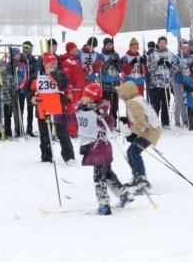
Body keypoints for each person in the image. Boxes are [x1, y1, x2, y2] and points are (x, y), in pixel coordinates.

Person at [50, 83, 133, 215]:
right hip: (91, 148)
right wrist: (54, 117)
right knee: (107, 174)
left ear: (93, 98)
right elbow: (69, 118)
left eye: (86, 95)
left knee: (99, 176)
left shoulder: (99, 111)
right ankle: (124, 195)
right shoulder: (81, 109)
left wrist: (101, 114)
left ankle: (104, 205)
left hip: (100, 147)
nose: (82, 97)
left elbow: (110, 122)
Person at [25, 53, 75, 165]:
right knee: (45, 136)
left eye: (56, 63)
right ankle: (46, 157)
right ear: (45, 64)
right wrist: (31, 97)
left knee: (63, 135)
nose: (54, 65)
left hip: (58, 110)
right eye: (52, 63)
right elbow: (27, 90)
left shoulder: (60, 74)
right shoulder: (36, 76)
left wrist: (52, 74)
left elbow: (63, 84)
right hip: (43, 111)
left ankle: (69, 157)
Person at [116, 81, 162, 192]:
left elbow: (140, 120)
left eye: (122, 93)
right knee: (132, 152)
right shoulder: (138, 98)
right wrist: (128, 119)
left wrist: (134, 134)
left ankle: (142, 180)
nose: (120, 96)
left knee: (133, 152)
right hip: (151, 128)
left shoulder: (133, 102)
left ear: (128, 93)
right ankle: (138, 177)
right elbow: (142, 115)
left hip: (151, 130)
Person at [147, 36, 177, 129]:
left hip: (166, 83)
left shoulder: (171, 54)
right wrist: (157, 63)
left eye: (164, 43)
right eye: (161, 43)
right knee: (155, 103)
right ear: (158, 43)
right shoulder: (152, 54)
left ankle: (165, 122)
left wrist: (170, 66)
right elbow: (150, 69)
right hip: (156, 83)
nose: (162, 44)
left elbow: (175, 69)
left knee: (165, 103)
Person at [60, 42, 86, 137]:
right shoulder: (67, 62)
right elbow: (67, 78)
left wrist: (84, 70)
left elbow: (76, 73)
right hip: (73, 91)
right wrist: (69, 91)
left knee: (79, 110)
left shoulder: (75, 60)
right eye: (75, 48)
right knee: (72, 111)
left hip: (79, 89)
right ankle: (71, 131)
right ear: (70, 50)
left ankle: (77, 128)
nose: (77, 50)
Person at [100, 38, 122, 127]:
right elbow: (103, 70)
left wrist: (117, 62)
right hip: (106, 83)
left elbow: (120, 70)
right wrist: (110, 60)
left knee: (114, 103)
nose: (109, 46)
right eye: (107, 45)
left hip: (115, 82)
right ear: (104, 45)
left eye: (110, 44)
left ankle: (113, 121)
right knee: (105, 103)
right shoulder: (102, 55)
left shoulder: (116, 55)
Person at [20, 41, 38, 137]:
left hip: (30, 89)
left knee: (30, 109)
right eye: (28, 49)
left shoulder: (33, 60)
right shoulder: (21, 59)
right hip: (21, 88)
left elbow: (36, 72)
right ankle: (19, 128)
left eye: (31, 49)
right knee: (21, 109)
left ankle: (29, 128)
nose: (30, 51)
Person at [173, 39, 191, 127]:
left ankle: (185, 119)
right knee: (179, 101)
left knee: (185, 101)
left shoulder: (189, 57)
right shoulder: (177, 57)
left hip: (187, 81)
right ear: (180, 48)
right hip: (178, 81)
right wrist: (180, 66)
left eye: (186, 47)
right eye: (183, 47)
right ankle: (177, 120)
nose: (185, 49)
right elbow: (173, 70)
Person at [11, 47, 27, 137]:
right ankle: (15, 128)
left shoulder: (22, 65)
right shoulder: (9, 65)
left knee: (20, 110)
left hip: (21, 91)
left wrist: (19, 87)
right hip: (12, 91)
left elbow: (25, 78)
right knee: (14, 111)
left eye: (19, 54)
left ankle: (21, 129)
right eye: (17, 54)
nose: (19, 56)